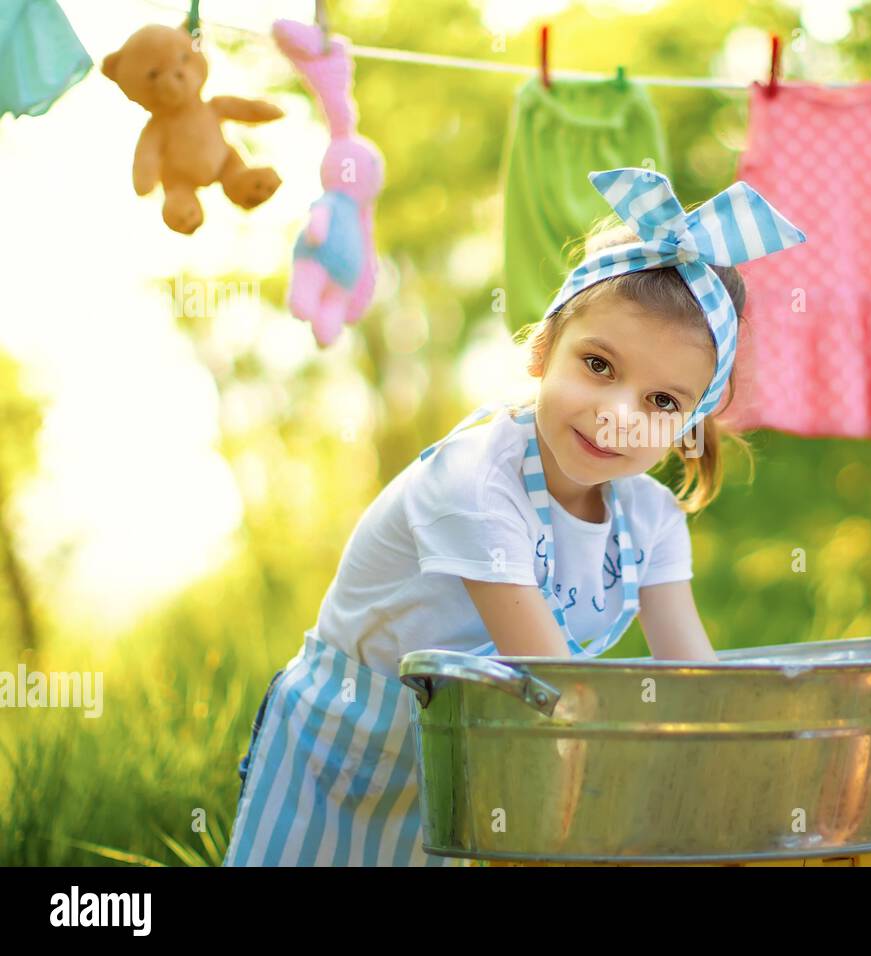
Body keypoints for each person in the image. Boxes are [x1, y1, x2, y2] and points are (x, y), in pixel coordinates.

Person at [223, 166, 807, 866]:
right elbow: (551, 685)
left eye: (662, 403)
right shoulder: (475, 483)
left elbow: (694, 680)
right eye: (598, 365)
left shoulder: (651, 519)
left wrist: (756, 783)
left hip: (475, 754)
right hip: (347, 742)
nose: (618, 416)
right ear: (542, 349)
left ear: (690, 424)